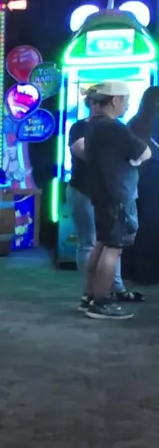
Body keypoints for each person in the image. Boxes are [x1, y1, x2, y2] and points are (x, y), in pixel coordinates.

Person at [72, 80, 152, 320]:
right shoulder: (113, 127)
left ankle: (89, 297)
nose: (127, 105)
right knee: (113, 248)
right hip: (118, 195)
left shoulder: (91, 126)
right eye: (126, 100)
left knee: (100, 244)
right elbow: (144, 151)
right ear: (116, 100)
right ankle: (101, 302)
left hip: (101, 193)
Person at [66, 91, 131, 308]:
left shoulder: (116, 127)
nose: (97, 106)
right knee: (90, 243)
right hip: (83, 190)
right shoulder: (80, 127)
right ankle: (94, 293)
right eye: (93, 102)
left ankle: (113, 289)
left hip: (108, 193)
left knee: (109, 243)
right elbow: (84, 152)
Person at [125, 85, 159, 285]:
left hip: (135, 179)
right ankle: (149, 273)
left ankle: (133, 271)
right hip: (154, 177)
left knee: (138, 226)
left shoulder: (134, 122)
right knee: (153, 227)